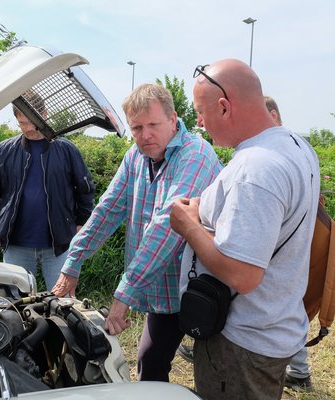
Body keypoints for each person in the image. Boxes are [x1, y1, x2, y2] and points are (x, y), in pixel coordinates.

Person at [170, 61, 320, 399]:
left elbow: (242, 274)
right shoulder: (295, 145)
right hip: (270, 325)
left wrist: (189, 225)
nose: (198, 122)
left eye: (200, 112)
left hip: (240, 343)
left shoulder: (255, 169)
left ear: (224, 107)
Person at [52, 83, 221, 381]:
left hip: (203, 285)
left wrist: (125, 293)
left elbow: (167, 226)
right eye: (137, 128)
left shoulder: (195, 155)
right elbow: (108, 209)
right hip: (164, 288)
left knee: (213, 372)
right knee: (150, 364)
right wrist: (73, 262)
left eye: (153, 125)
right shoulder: (135, 156)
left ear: (173, 119)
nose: (145, 135)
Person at [0, 91, 95, 291]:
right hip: (15, 244)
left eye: (32, 122)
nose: (29, 128)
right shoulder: (4, 150)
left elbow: (85, 190)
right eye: (22, 123)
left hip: (59, 244)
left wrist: (80, 224)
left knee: (62, 301)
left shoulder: (67, 150)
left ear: (44, 114)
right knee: (16, 302)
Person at [264, 95, 314, 393]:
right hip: (297, 239)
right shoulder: (301, 146)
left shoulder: (278, 149)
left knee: (284, 306)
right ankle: (299, 370)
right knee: (292, 304)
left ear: (272, 115)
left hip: (282, 242)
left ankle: (299, 370)